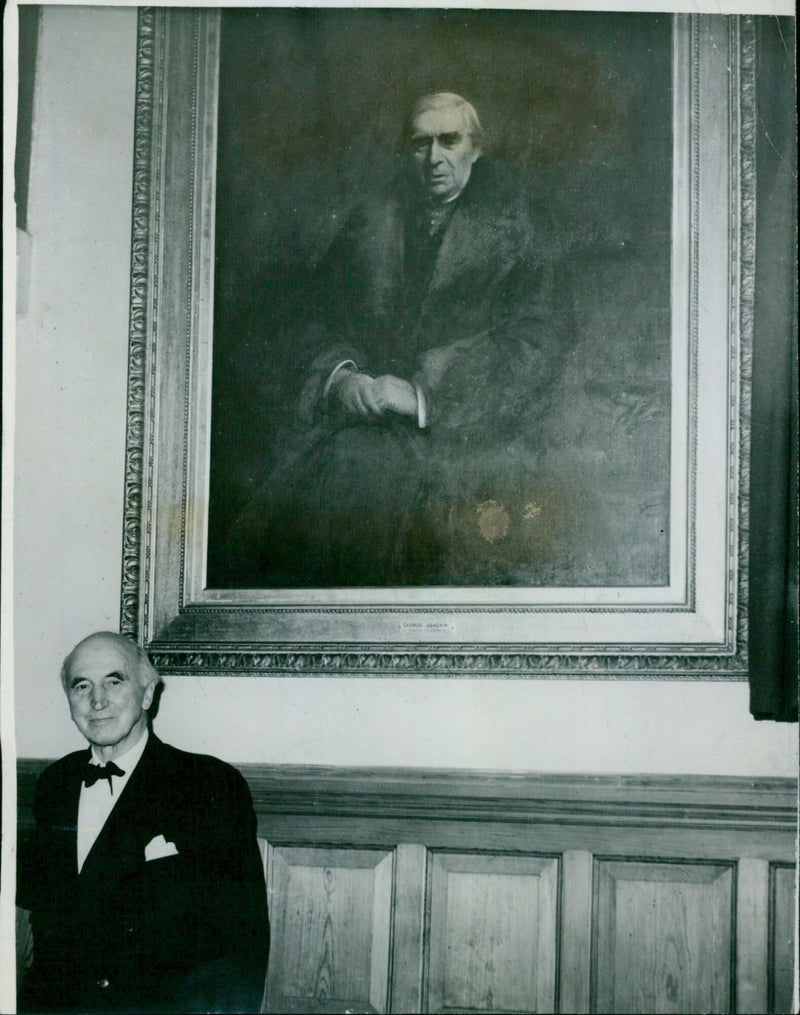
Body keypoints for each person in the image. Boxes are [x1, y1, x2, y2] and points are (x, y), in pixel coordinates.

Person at [224, 92, 572, 587]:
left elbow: (537, 345)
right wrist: (340, 377)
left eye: (449, 141)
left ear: (475, 148)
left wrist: (423, 396)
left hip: (474, 436)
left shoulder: (521, 228)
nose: (434, 158)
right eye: (419, 144)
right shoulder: (370, 224)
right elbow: (311, 317)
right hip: (366, 427)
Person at [18, 631, 269, 1014]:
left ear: (148, 693)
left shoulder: (207, 784)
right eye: (81, 685)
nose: (97, 701)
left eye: (114, 682)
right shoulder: (56, 783)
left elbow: (238, 942)